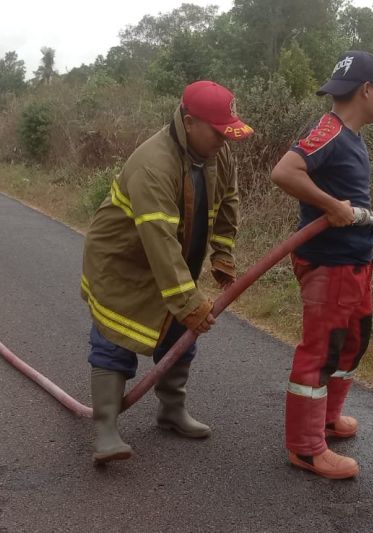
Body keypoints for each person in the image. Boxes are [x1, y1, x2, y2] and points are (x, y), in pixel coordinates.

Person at [81, 80, 253, 464]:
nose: (225, 141)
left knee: (181, 333)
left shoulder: (217, 153)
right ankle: (106, 429)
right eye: (218, 132)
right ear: (189, 123)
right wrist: (188, 299)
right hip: (123, 262)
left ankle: (171, 411)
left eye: (229, 132)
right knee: (116, 337)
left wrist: (222, 252)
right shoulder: (152, 164)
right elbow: (157, 236)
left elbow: (229, 200)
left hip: (172, 259)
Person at [270, 51, 373, 479]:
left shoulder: (353, 137)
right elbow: (285, 173)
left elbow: (349, 202)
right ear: (366, 90)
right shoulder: (328, 131)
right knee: (320, 353)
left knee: (352, 344)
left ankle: (326, 420)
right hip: (329, 266)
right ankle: (306, 449)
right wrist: (329, 206)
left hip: (355, 263)